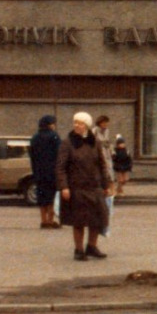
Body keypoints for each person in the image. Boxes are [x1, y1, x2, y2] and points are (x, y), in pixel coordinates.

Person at [56, 112, 113, 261]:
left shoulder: (95, 142)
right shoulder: (67, 143)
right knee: (79, 220)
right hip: (76, 188)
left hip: (94, 187)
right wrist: (64, 187)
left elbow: (102, 165)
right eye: (75, 122)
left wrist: (106, 184)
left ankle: (92, 247)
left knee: (96, 219)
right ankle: (79, 250)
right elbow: (60, 167)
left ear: (87, 125)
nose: (76, 125)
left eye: (80, 123)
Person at [28, 114, 61, 228]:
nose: (54, 126)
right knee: (51, 196)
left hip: (39, 171)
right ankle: (51, 220)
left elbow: (32, 155)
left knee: (42, 196)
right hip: (52, 172)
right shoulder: (54, 137)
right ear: (49, 125)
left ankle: (43, 220)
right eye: (53, 123)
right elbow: (59, 154)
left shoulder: (35, 138)